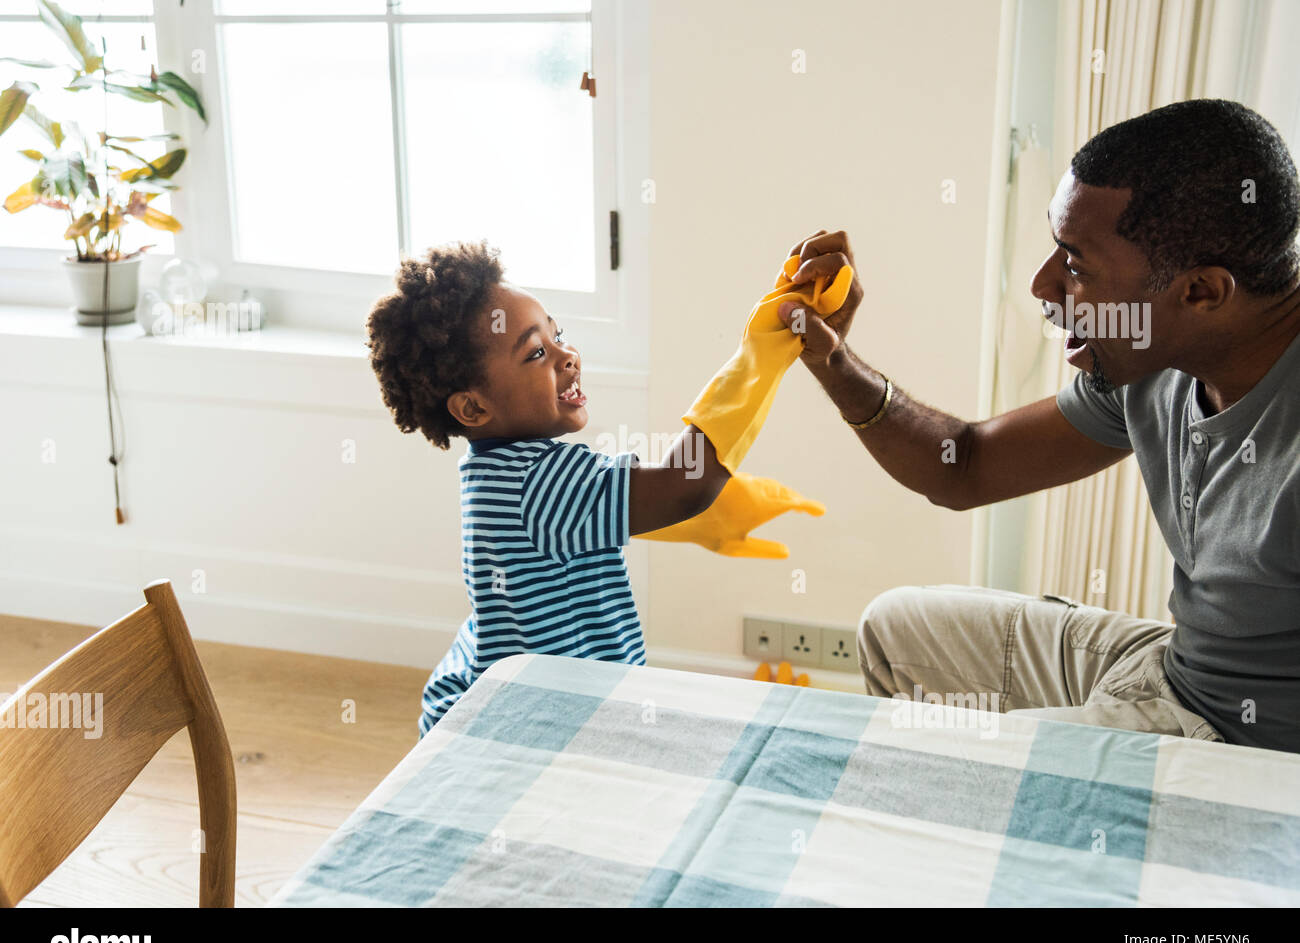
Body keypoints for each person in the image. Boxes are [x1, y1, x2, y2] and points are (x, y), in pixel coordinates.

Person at [778, 98, 1300, 754]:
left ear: (1200, 292)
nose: (1041, 285)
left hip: (1237, 740)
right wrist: (832, 360)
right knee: (895, 628)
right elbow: (964, 466)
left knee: (950, 759)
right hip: (1170, 667)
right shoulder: (1152, 361)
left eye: (1076, 266)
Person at [366, 241, 731, 735]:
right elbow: (686, 483)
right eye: (537, 352)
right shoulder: (542, 482)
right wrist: (757, 362)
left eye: (559, 336)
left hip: (481, 693)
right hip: (532, 726)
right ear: (472, 409)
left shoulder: (494, 469)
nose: (568, 357)